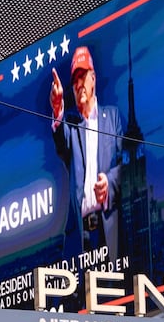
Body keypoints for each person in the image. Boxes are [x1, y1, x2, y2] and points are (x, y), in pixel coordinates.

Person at [50, 44, 123, 265]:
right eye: (75, 80)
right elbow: (61, 144)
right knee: (80, 298)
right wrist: (57, 109)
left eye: (83, 76)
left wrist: (109, 184)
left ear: (93, 78)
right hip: (80, 236)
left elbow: (124, 163)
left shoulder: (112, 117)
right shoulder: (71, 126)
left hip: (107, 228)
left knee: (113, 295)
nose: (79, 84)